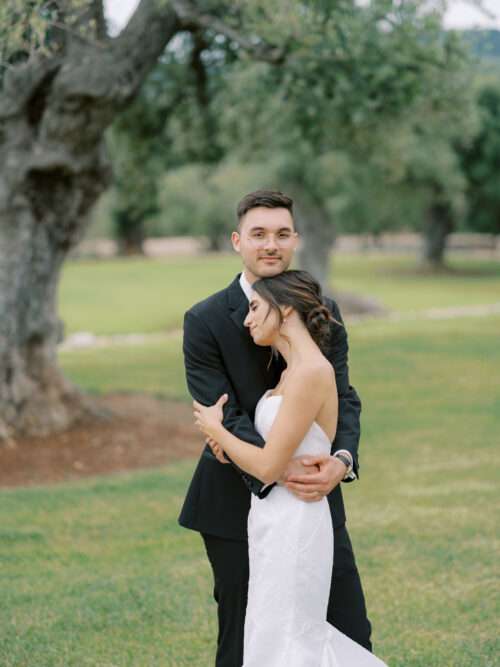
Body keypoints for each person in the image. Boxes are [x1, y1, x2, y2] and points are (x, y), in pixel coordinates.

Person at [178, 190, 372, 666]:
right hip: (231, 503)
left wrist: (341, 462)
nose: (271, 244)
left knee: (348, 628)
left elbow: (343, 396)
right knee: (248, 639)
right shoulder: (203, 320)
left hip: (314, 495)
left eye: (282, 234)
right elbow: (224, 413)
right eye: (259, 234)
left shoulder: (323, 310)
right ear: (237, 241)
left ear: (295, 240)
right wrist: (274, 468)